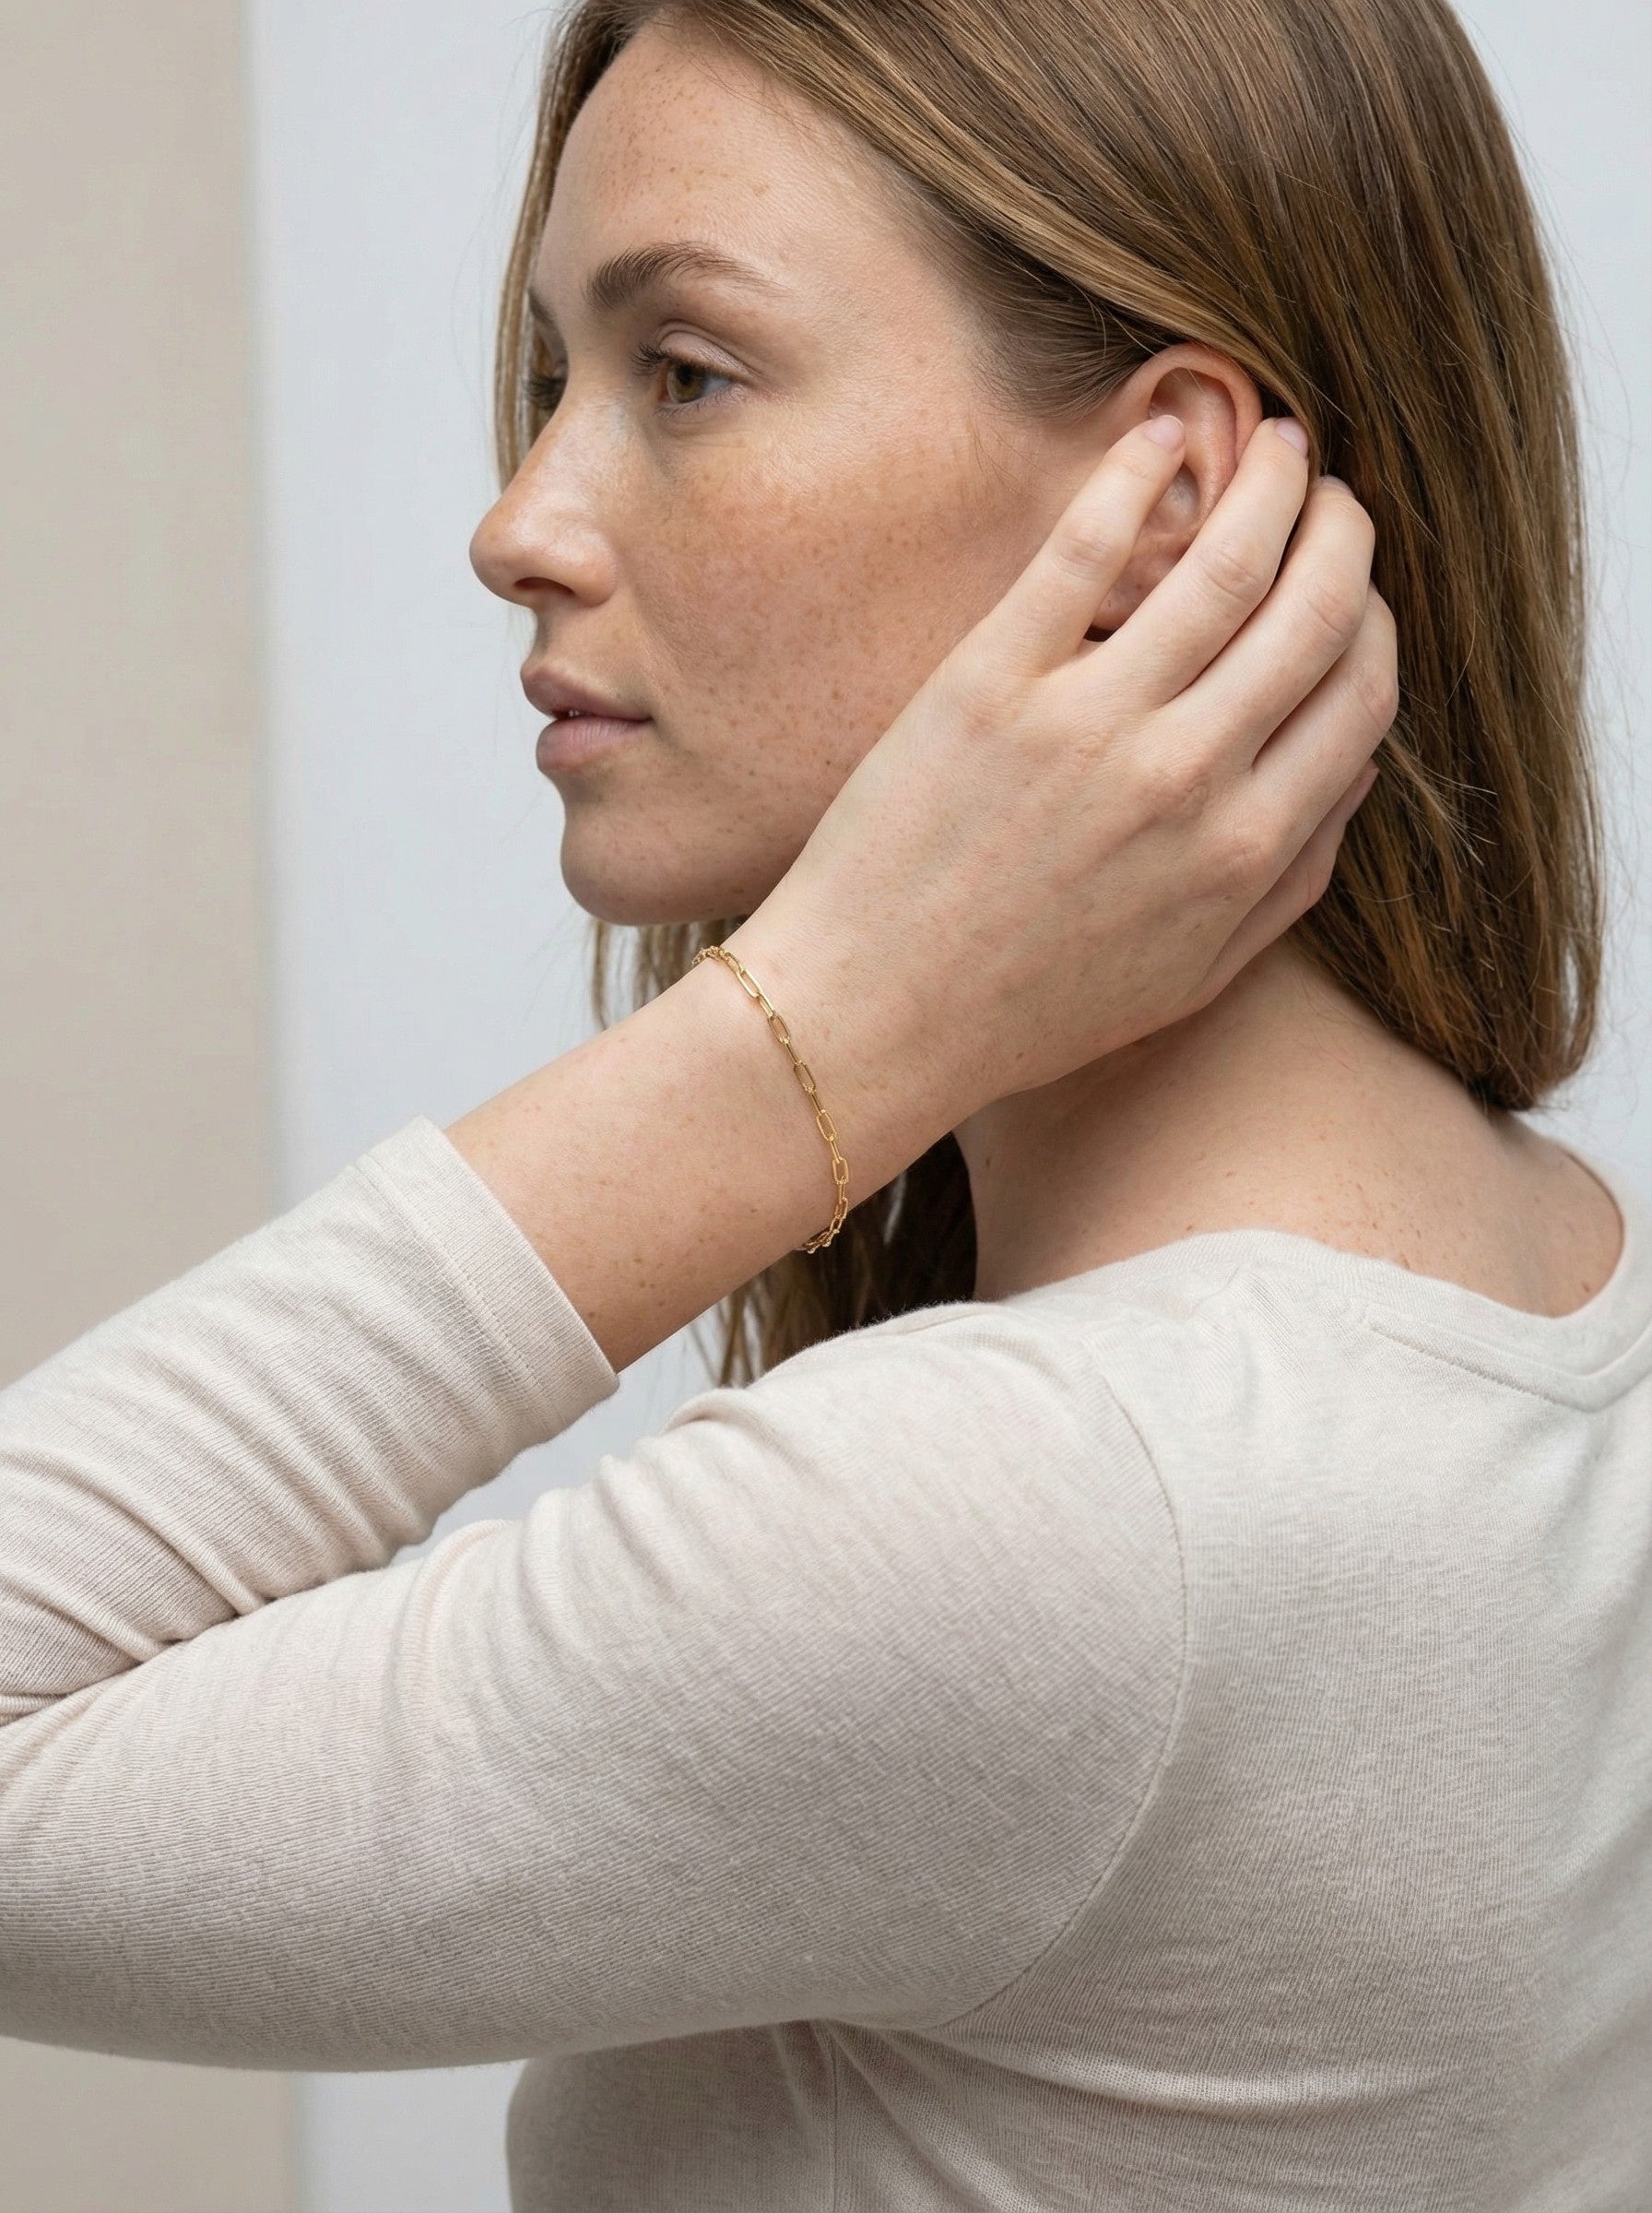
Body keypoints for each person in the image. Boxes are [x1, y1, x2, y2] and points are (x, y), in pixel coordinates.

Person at [1, 0, 1646, 2207]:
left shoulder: (1038, 1517)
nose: (517, 520)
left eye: (682, 372)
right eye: (547, 377)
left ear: (1170, 504)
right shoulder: (1552, 1289)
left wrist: (821, 1032)